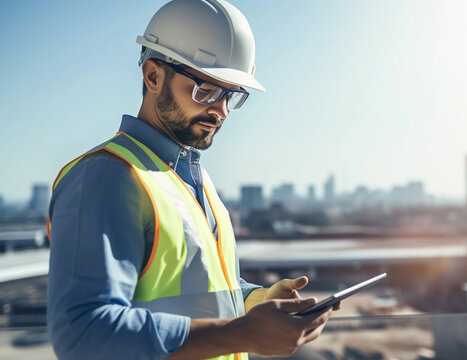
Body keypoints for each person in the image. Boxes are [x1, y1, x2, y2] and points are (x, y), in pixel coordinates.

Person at [46, 0, 336, 359]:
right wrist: (240, 334)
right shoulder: (106, 177)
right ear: (153, 76)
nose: (221, 110)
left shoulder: (190, 180)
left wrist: (255, 300)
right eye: (206, 90)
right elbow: (82, 334)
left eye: (232, 95)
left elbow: (199, 291)